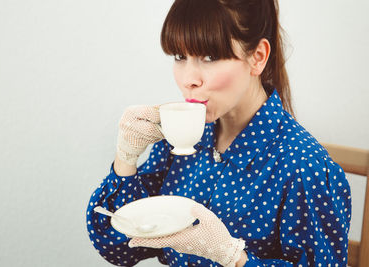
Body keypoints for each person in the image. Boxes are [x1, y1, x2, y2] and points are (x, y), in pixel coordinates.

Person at [86, 0, 351, 266]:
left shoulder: (304, 166)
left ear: (257, 57)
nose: (189, 78)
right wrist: (126, 158)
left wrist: (234, 257)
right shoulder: (181, 138)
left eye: (210, 57)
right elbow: (121, 247)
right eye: (180, 57)